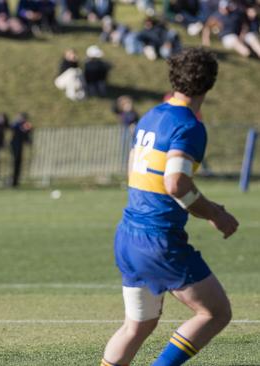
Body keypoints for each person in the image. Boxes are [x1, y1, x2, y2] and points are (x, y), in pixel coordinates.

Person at [101, 48, 238, 366]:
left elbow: (134, 168)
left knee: (138, 325)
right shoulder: (189, 126)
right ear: (210, 83)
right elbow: (175, 182)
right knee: (215, 312)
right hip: (158, 241)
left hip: (128, 235)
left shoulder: (153, 115)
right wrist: (215, 213)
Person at [9, 112, 32, 187]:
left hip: (19, 146)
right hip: (15, 145)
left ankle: (15, 181)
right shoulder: (17, 124)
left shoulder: (26, 125)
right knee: (15, 163)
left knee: (18, 163)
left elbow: (28, 133)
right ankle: (13, 181)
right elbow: (12, 127)